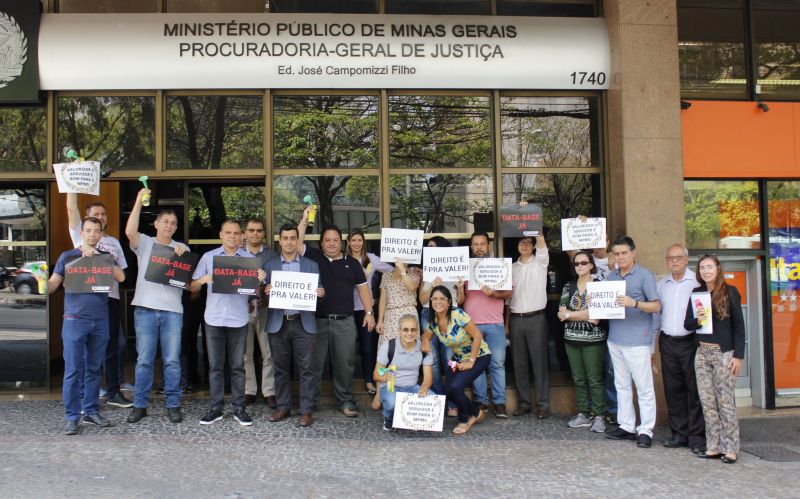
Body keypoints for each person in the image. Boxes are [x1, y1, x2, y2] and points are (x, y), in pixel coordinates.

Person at [49, 217, 126, 435]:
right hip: (75, 320)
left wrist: (100, 260)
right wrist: (42, 282)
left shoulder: (106, 257)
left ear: (102, 234)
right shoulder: (68, 256)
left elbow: (121, 277)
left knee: (93, 368)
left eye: (97, 231)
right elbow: (54, 284)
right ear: (81, 233)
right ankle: (72, 416)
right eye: (88, 230)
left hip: (100, 320)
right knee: (73, 370)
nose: (93, 234)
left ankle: (91, 411)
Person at [298, 209, 375, 417]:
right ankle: (310, 404)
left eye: (335, 240)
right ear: (321, 243)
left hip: (345, 323)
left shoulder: (353, 264)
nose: (331, 243)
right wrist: (305, 220)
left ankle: (346, 401)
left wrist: (369, 312)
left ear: (341, 242)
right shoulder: (314, 257)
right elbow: (296, 243)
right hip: (317, 322)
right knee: (313, 364)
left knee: (345, 364)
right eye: (327, 240)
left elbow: (363, 289)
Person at [191, 219, 266, 426]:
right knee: (215, 367)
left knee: (237, 367)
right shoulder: (209, 257)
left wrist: (260, 280)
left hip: (238, 319)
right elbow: (192, 288)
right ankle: (215, 409)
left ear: (241, 236)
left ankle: (239, 409)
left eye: (236, 233)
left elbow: (254, 293)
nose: (232, 236)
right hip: (214, 318)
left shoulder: (249, 259)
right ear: (221, 234)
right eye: (228, 233)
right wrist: (202, 280)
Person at [124, 189, 189, 424]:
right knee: (144, 360)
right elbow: (129, 230)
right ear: (156, 224)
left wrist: (181, 254)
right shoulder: (145, 243)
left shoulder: (183, 249)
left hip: (172, 311)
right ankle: (140, 405)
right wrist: (139, 200)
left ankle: (173, 404)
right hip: (145, 310)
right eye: (165, 222)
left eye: (173, 223)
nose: (169, 226)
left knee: (171, 361)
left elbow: (186, 278)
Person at [66, 193, 131, 408]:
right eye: (95, 214)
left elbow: (122, 274)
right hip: (86, 300)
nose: (100, 217)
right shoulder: (80, 237)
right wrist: (72, 184)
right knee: (87, 350)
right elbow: (70, 209)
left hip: (110, 298)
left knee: (116, 345)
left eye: (103, 214)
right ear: (85, 221)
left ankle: (113, 391)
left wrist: (108, 261)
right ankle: (86, 394)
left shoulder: (113, 242)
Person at [684, 254, 745, 464]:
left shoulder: (730, 292)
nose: (706, 271)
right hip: (701, 352)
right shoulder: (697, 293)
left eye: (709, 267)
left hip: (723, 353)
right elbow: (688, 324)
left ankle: (731, 448)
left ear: (718, 268)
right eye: (702, 268)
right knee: (707, 401)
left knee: (725, 401)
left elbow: (739, 326)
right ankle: (713, 445)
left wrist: (738, 356)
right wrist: (698, 320)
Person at [263, 223, 324, 428]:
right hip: (278, 323)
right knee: (280, 368)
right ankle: (283, 407)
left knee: (307, 369)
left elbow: (318, 289)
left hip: (303, 322)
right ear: (280, 240)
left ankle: (306, 411)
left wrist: (320, 292)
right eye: (286, 238)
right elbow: (260, 294)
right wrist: (266, 290)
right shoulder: (270, 265)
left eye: (293, 238)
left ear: (298, 240)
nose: (289, 241)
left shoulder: (310, 265)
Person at [602, 235, 661, 448]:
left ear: (633, 253)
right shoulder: (612, 277)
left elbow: (655, 306)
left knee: (644, 387)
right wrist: (595, 300)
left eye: (624, 253)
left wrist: (634, 303)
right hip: (615, 338)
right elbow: (605, 306)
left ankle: (645, 429)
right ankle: (626, 425)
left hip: (638, 340)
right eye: (616, 254)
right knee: (622, 385)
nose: (620, 257)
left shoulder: (644, 275)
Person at [655, 244, 706, 454]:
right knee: (673, 390)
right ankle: (678, 434)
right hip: (667, 341)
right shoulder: (661, 285)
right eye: (670, 258)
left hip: (690, 342)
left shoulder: (697, 282)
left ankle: (696, 437)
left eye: (678, 257)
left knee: (694, 390)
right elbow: (656, 316)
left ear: (686, 259)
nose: (674, 261)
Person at [422, 286, 491, 435]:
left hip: (479, 356)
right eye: (435, 299)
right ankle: (475, 412)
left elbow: (478, 336)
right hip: (458, 359)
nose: (438, 302)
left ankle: (464, 419)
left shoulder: (458, 314)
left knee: (456, 386)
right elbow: (426, 336)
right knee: (449, 389)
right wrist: (426, 341)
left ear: (449, 302)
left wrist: (471, 361)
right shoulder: (433, 321)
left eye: (442, 299)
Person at [557, 250, 607, 433]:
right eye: (576, 263)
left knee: (594, 378)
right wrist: (585, 315)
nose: (580, 266)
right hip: (571, 339)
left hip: (594, 340)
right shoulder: (568, 287)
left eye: (584, 263)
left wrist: (571, 314)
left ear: (591, 265)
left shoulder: (599, 286)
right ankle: (583, 414)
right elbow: (561, 314)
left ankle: (599, 415)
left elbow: (599, 315)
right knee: (578, 379)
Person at [463, 233, 512, 418]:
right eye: (475, 244)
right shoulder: (464, 267)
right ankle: (481, 401)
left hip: (495, 323)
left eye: (483, 244)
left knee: (497, 364)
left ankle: (500, 403)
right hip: (471, 324)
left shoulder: (499, 266)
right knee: (475, 364)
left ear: (489, 246)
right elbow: (459, 297)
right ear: (471, 247)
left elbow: (508, 293)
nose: (479, 247)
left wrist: (495, 295)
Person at [418, 236, 464, 417]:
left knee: (450, 359)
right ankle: (438, 402)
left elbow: (460, 301)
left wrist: (460, 288)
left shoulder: (454, 267)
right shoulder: (426, 270)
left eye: (433, 247)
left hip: (450, 316)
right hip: (428, 316)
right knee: (433, 361)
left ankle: (452, 402)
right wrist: (432, 288)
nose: (430, 250)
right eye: (428, 247)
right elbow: (422, 300)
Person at [508, 235, 550, 419]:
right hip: (516, 318)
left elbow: (542, 246)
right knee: (520, 363)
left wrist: (531, 221)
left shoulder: (541, 262)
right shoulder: (510, 268)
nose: (524, 245)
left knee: (539, 363)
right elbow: (507, 300)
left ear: (533, 246)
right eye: (521, 243)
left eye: (528, 243)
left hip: (536, 318)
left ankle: (543, 404)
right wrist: (507, 324)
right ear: (517, 246)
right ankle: (524, 403)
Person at [346, 229, 392, 395]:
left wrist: (406, 269)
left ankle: (369, 380)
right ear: (348, 242)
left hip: (367, 310)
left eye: (360, 240)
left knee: (367, 347)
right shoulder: (344, 259)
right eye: (354, 240)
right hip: (348, 309)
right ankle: (346, 384)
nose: (357, 243)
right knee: (347, 349)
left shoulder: (371, 258)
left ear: (363, 242)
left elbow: (389, 269)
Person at [375, 314, 434, 431]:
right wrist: (384, 377)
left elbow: (428, 377)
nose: (409, 333)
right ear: (399, 331)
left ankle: (414, 420)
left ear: (417, 331)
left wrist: (424, 388)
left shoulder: (424, 347)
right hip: (390, 387)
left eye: (413, 330)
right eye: (405, 329)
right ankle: (389, 419)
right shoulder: (388, 346)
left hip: (412, 387)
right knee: (392, 402)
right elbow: (376, 375)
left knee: (432, 399)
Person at [242, 218, 278, 409]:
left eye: (259, 230)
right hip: (242, 309)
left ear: (263, 233)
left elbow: (278, 284)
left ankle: (269, 391)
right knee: (246, 353)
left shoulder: (273, 256)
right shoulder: (237, 255)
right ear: (245, 233)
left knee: (268, 353)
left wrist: (267, 293)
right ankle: (249, 390)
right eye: (251, 230)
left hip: (266, 309)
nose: (255, 234)